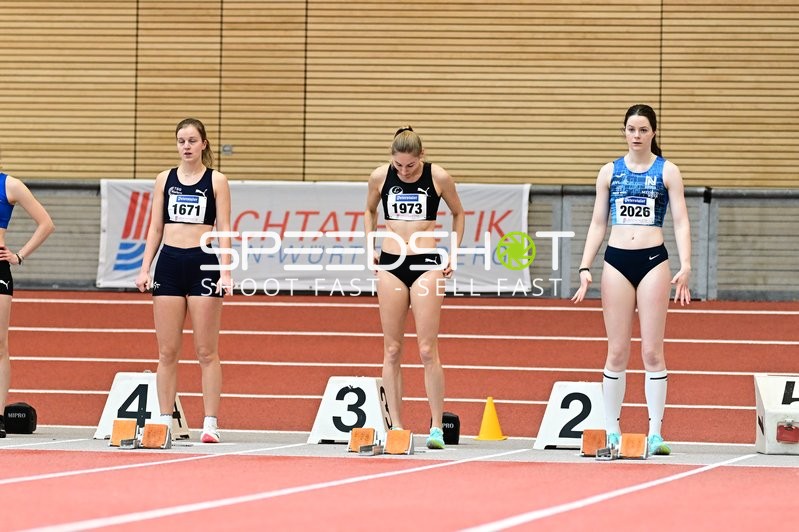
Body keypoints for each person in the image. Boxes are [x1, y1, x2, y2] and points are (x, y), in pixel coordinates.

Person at [571, 104, 692, 456]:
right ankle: (612, 431)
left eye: (642, 129)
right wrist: (584, 265)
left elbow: (682, 221)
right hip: (617, 260)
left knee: (652, 351)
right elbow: (598, 223)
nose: (636, 135)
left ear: (653, 132)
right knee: (617, 350)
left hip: (653, 260)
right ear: (623, 131)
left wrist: (687, 264)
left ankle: (655, 433)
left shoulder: (667, 171)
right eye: (630, 129)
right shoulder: (609, 171)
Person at [364, 126, 465, 449]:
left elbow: (458, 213)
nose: (404, 172)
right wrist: (370, 246)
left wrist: (454, 251)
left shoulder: (438, 177)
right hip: (392, 264)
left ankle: (436, 427)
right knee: (392, 349)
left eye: (410, 165)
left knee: (426, 349)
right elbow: (368, 210)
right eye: (399, 166)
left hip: (428, 263)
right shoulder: (380, 177)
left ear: (421, 156)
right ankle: (397, 426)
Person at [135, 118, 232, 443]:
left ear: (204, 144)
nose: (187, 146)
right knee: (167, 351)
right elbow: (154, 229)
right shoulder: (165, 179)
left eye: (192, 140)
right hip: (170, 264)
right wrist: (145, 268)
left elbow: (224, 229)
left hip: (203, 263)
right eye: (181, 141)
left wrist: (228, 271)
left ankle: (210, 423)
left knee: (206, 351)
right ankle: (164, 419)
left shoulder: (217, 180)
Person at [0, 168, 55, 437]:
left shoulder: (9, 185)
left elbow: (46, 223)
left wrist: (19, 256)